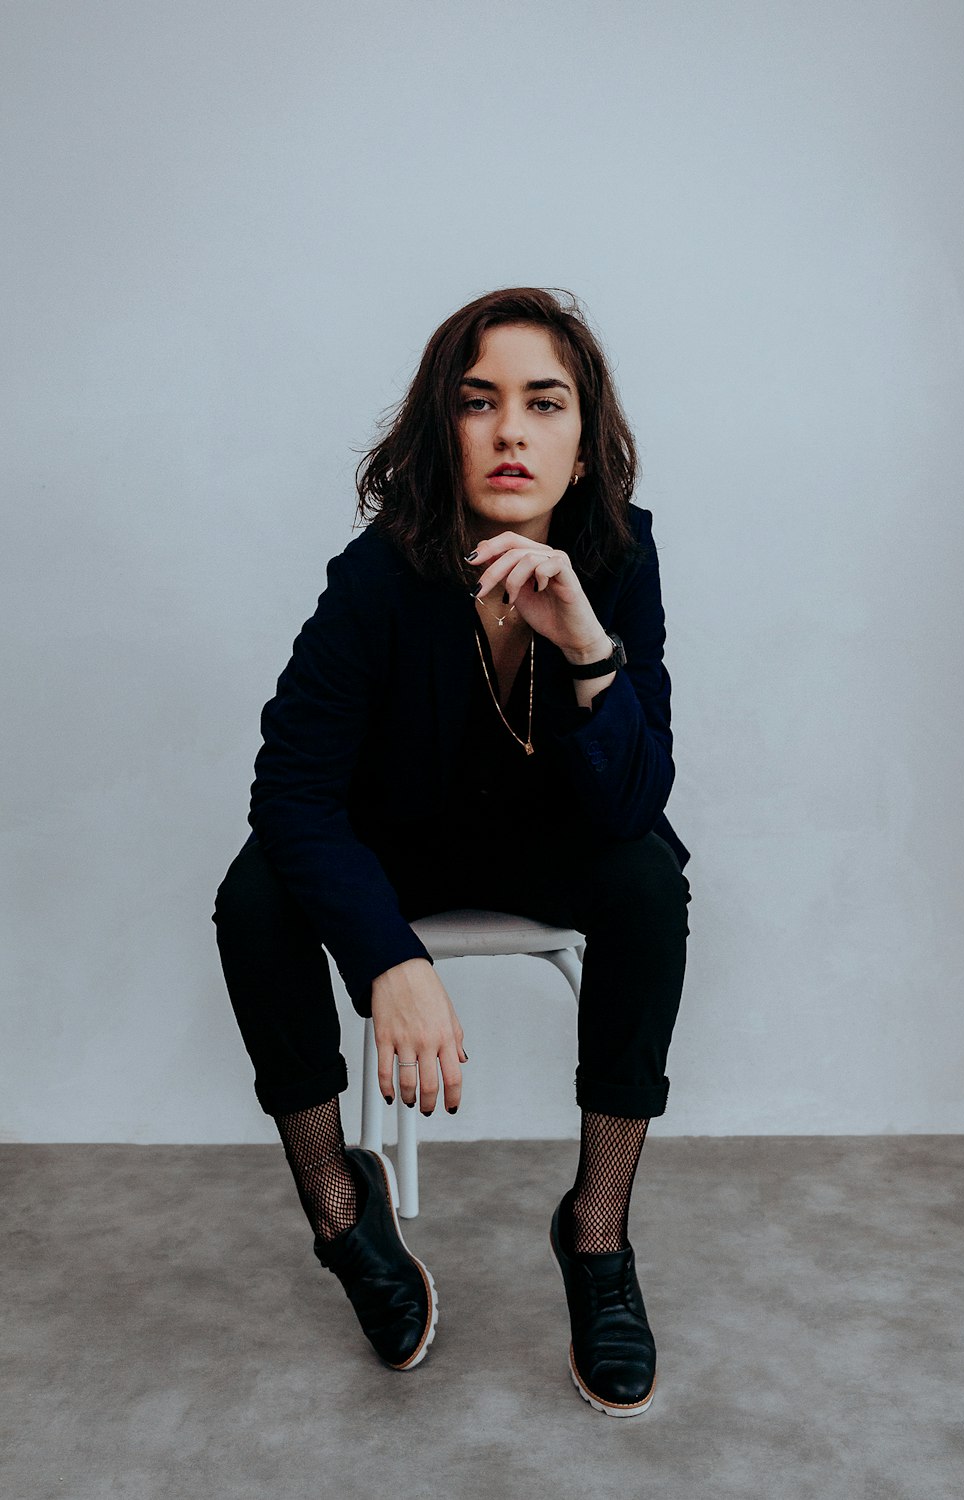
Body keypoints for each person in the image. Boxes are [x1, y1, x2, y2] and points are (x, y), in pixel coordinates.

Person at [212, 286, 692, 1418]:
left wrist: (586, 645)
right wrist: (387, 960)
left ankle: (597, 1232)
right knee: (256, 895)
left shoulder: (619, 560)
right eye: (479, 403)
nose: (512, 429)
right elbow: (288, 791)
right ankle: (340, 1205)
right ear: (446, 431)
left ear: (584, 445)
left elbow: (635, 800)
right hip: (401, 854)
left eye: (544, 402)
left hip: (553, 846)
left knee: (648, 885)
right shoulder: (378, 576)